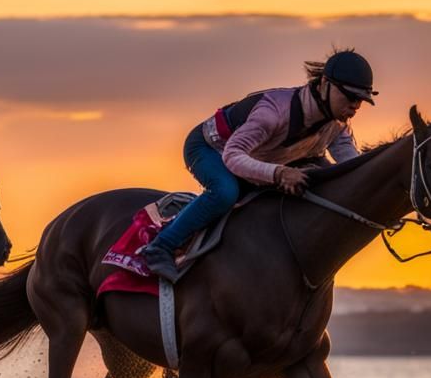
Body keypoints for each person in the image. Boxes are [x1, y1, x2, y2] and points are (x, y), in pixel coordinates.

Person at [141, 49, 377, 280]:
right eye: (350, 96)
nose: (356, 106)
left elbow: (352, 167)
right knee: (225, 193)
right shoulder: (273, 113)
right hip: (209, 148)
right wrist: (279, 174)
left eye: (361, 100)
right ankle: (161, 246)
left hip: (263, 157)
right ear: (324, 84)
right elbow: (232, 156)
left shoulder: (336, 126)